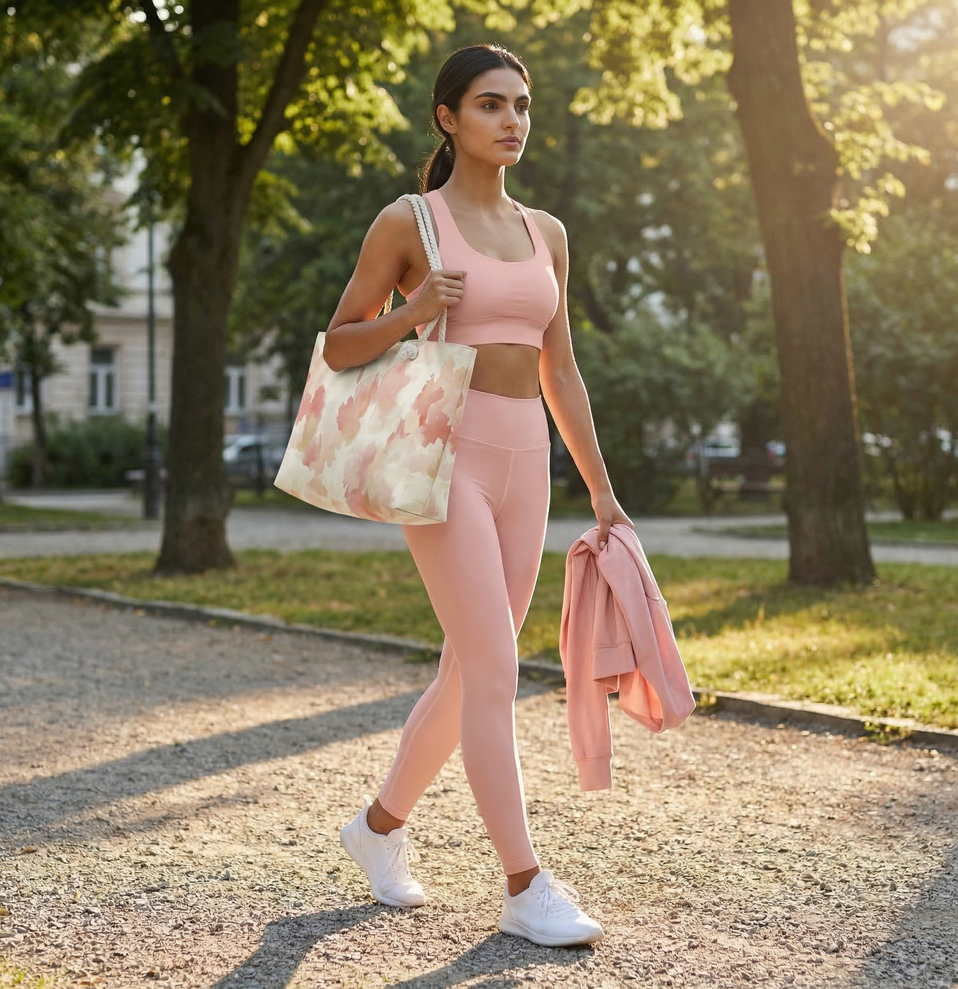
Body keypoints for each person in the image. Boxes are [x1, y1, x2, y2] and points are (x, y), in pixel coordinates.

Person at [324, 43, 633, 948]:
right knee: (495, 668)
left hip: (524, 455)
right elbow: (341, 345)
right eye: (492, 105)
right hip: (443, 456)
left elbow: (561, 369)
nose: (513, 121)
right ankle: (525, 883)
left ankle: (375, 830)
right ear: (448, 118)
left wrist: (603, 491)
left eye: (523, 105)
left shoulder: (548, 234)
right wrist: (413, 314)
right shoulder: (409, 222)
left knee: (470, 671)